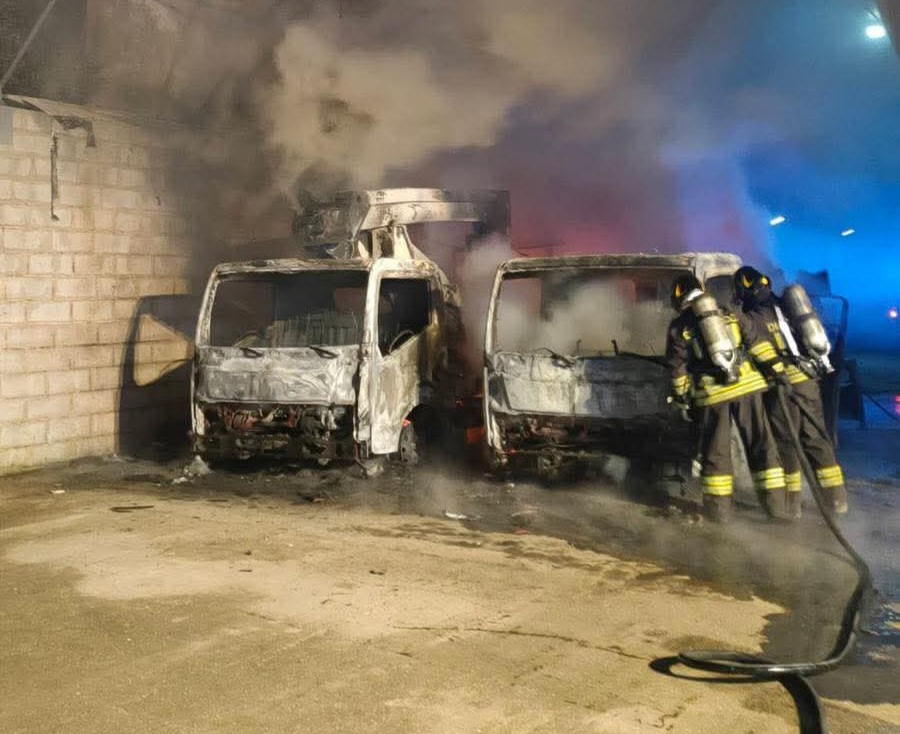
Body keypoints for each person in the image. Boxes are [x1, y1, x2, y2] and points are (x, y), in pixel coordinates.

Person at [665, 274, 789, 522]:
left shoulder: (679, 327)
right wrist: (777, 370)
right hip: (748, 388)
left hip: (712, 397)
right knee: (762, 445)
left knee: (716, 453)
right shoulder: (730, 312)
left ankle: (719, 512)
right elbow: (756, 343)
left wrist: (682, 398)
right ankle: (777, 507)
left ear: (678, 297)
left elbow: (678, 369)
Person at [733, 266, 848, 516]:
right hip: (808, 382)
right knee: (815, 438)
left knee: (786, 443)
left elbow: (759, 351)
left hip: (783, 387)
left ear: (745, 289)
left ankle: (791, 504)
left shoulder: (755, 316)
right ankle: (836, 499)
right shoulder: (787, 307)